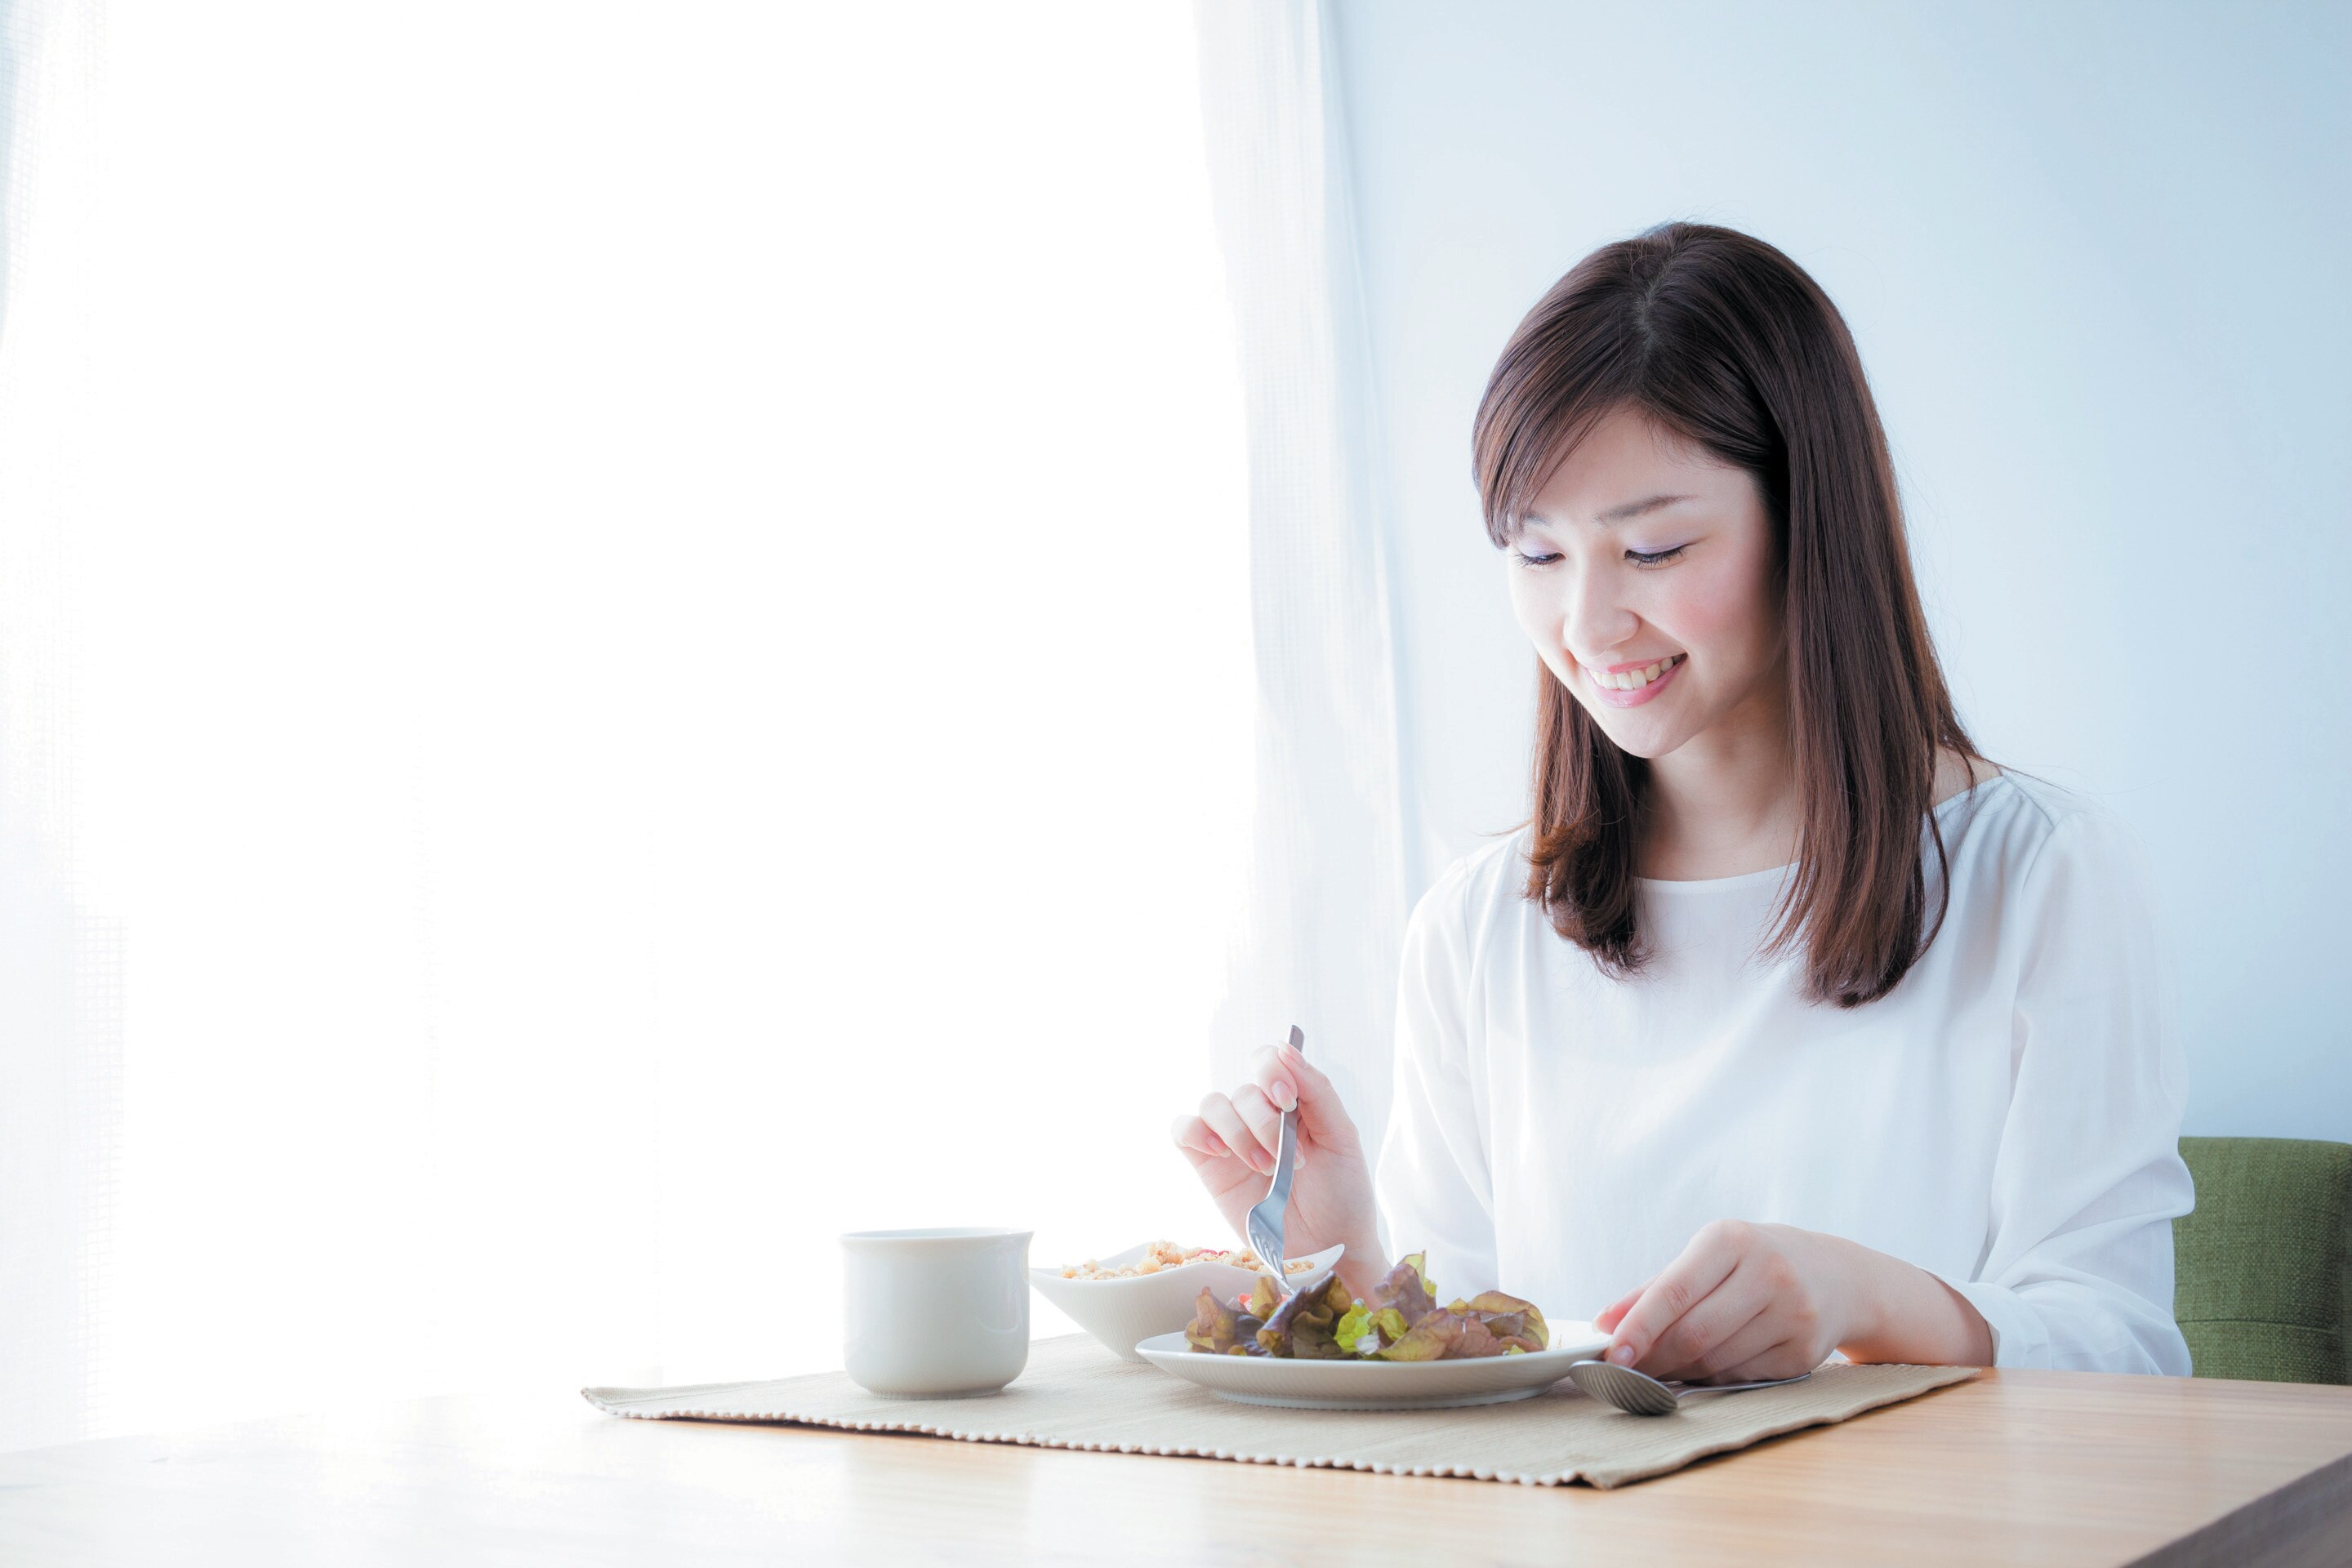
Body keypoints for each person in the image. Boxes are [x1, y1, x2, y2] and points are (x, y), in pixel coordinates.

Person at [1169, 221, 2194, 1381]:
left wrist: (1866, 1298)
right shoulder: (1480, 927)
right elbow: (1487, 1379)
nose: (1589, 628)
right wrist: (1348, 1265)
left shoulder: (2040, 876)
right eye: (1537, 554)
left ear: (1810, 520)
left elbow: (2129, 1358)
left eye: (1653, 550)